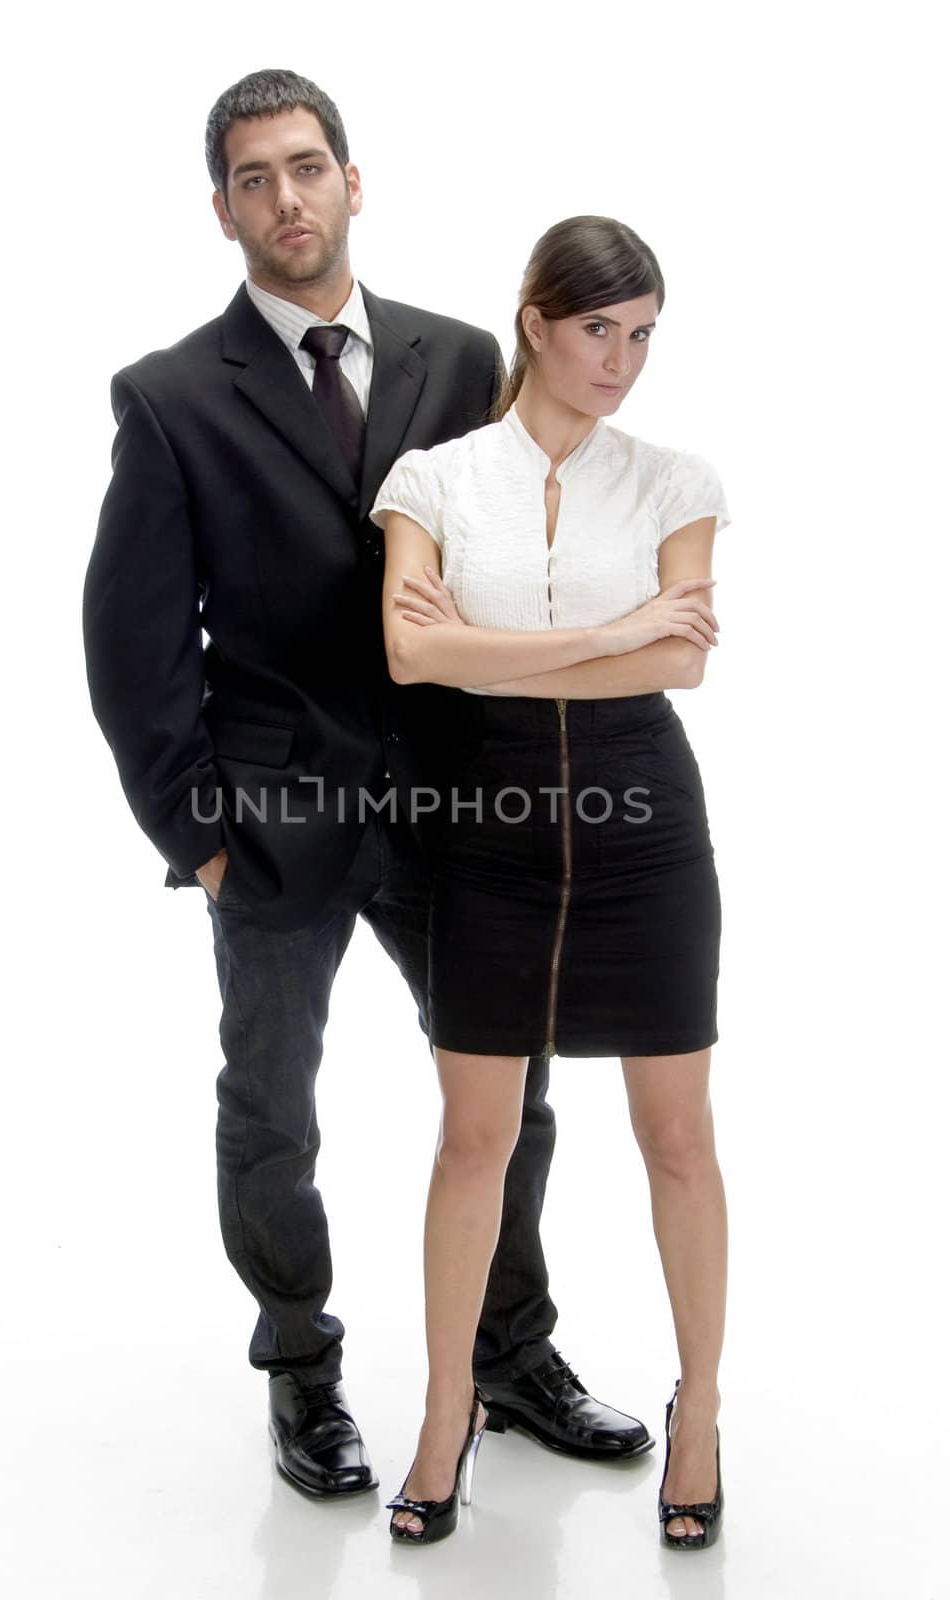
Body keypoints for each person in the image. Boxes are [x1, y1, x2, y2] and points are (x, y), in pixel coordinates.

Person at [82, 72, 652, 1502]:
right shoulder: (166, 401)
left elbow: (540, 534)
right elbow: (131, 642)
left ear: (354, 181)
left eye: (308, 166)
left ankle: (510, 1353)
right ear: (223, 210)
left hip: (464, 808)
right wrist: (197, 836)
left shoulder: (462, 364)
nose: (288, 197)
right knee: (273, 1106)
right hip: (273, 824)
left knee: (514, 1098)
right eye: (256, 178)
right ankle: (302, 1364)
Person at [372, 215, 731, 1548]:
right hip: (489, 816)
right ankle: (444, 1408)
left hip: (645, 821)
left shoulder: (675, 479)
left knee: (677, 1138)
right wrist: (613, 628)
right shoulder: (435, 479)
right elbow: (412, 663)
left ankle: (699, 1412)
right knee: (477, 1137)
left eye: (643, 337)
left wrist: (502, 644)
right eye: (599, 331)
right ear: (534, 322)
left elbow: (678, 667)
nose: (623, 362)